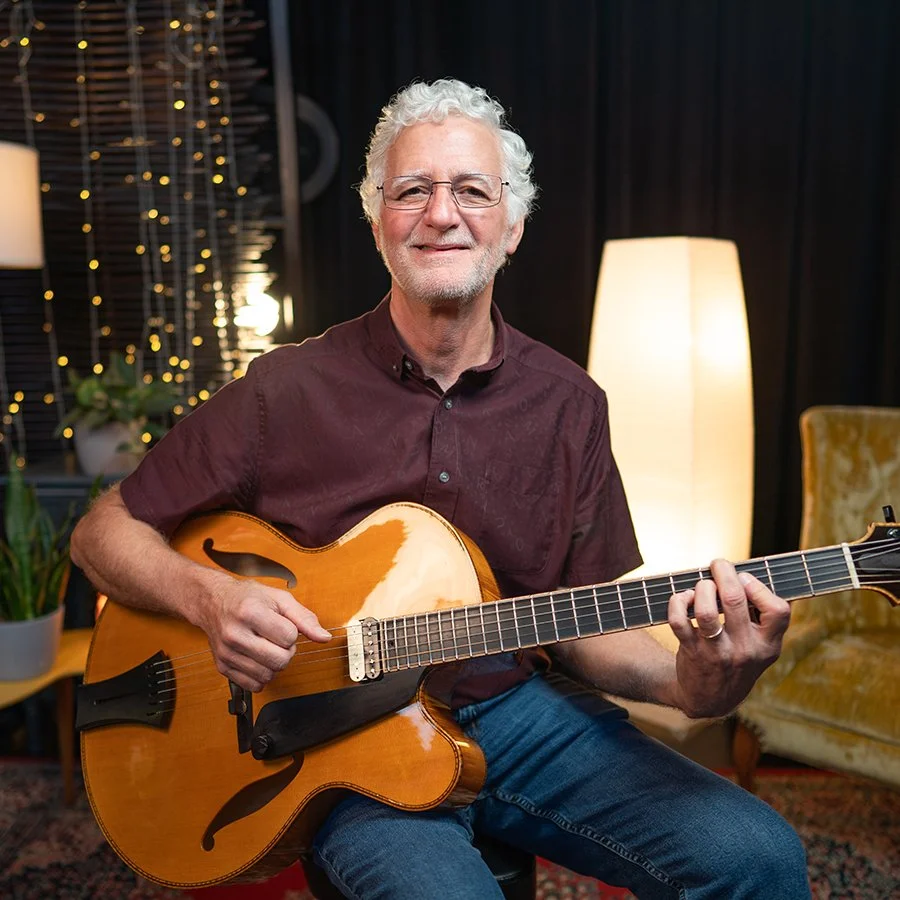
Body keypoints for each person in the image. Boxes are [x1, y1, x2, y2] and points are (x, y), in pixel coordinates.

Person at [71, 78, 810, 899]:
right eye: (411, 190)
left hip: (520, 718)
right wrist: (207, 598)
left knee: (760, 857)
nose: (441, 213)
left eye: (471, 190)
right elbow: (102, 530)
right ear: (378, 220)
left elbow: (582, 618)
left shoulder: (570, 404)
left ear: (514, 224)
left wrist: (693, 683)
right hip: (341, 742)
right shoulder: (283, 390)